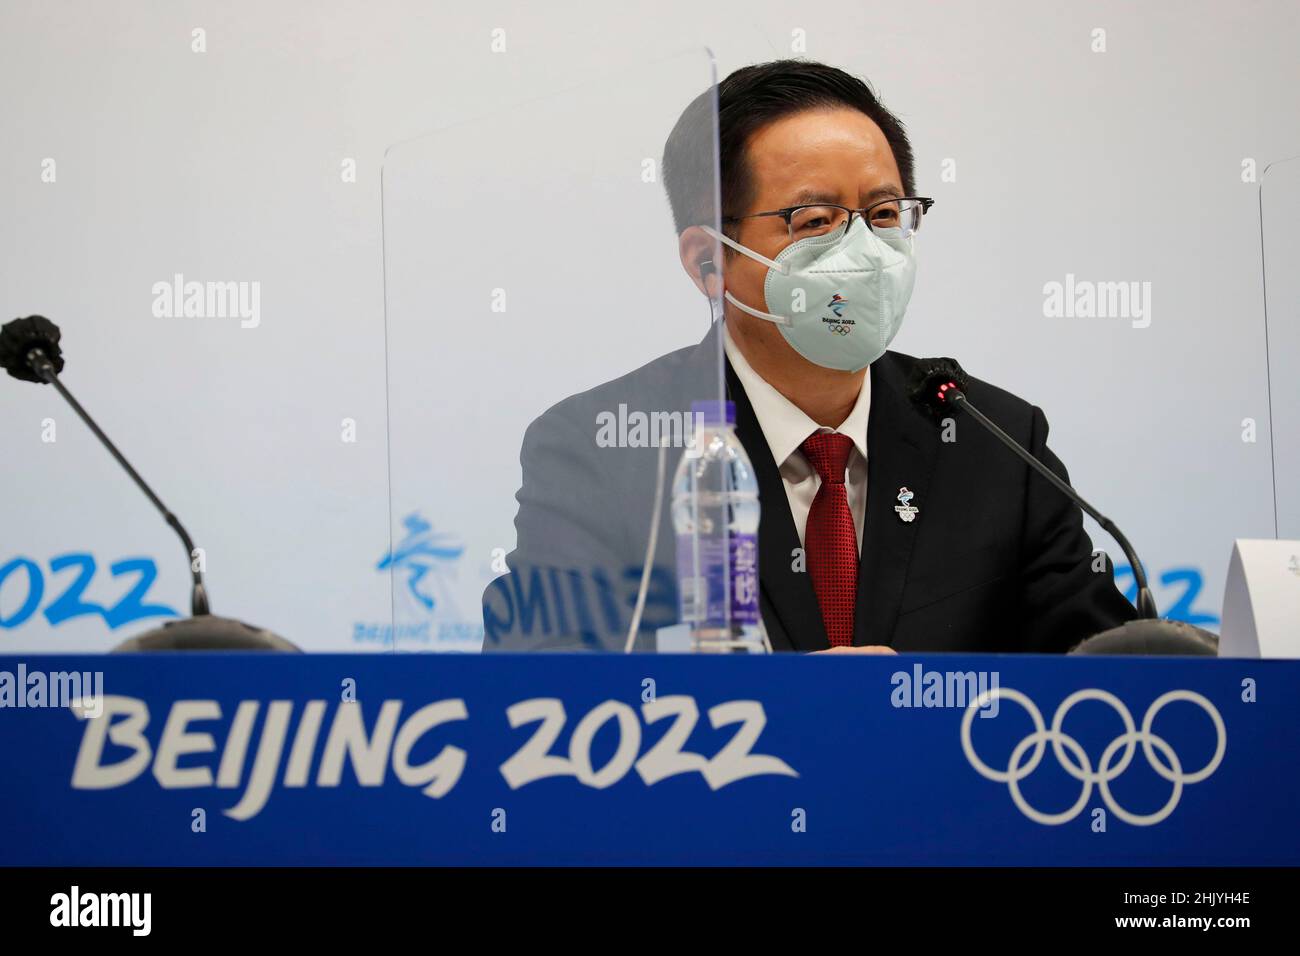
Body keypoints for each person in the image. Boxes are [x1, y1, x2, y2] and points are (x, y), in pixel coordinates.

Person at [483, 59, 1135, 653]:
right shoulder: (603, 449)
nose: (864, 250)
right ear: (709, 262)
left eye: (883, 213)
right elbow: (543, 693)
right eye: (815, 221)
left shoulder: (995, 441)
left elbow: (1111, 678)